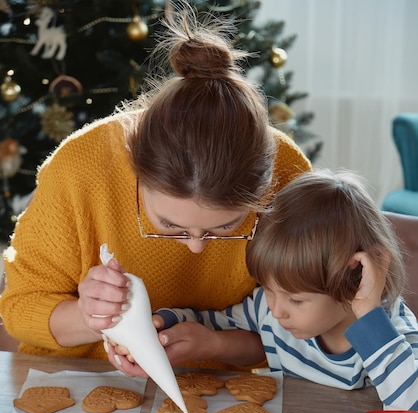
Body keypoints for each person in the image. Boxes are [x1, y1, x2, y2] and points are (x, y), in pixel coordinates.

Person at [0, 7, 310, 370]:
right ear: (134, 167)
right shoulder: (80, 169)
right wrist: (91, 317)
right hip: (83, 379)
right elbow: (19, 310)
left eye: (225, 227)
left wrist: (214, 343)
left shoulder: (287, 173)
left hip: (221, 389)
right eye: (169, 224)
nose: (195, 246)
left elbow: (305, 331)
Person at [153, 169, 418, 410]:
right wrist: (163, 324)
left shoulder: (390, 333)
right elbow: (209, 322)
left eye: (296, 299)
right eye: (268, 288)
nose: (276, 311)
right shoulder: (268, 308)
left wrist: (370, 316)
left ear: (355, 278)